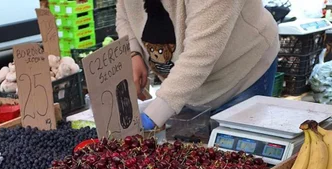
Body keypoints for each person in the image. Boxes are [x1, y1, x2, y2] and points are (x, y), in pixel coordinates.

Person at [116, 0, 279, 129]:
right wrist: (133, 53)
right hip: (185, 85)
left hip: (240, 75)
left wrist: (152, 116)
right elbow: (124, 12)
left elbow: (201, 54)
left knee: (236, 162)